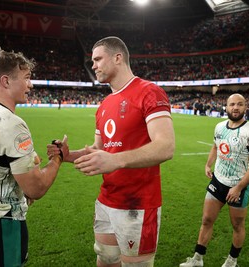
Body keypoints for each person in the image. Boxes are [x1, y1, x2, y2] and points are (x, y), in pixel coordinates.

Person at [50, 36, 175, 267]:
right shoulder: (105, 104)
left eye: (98, 59)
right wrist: (69, 155)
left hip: (137, 204)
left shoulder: (149, 92)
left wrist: (117, 160)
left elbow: (166, 146)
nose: (93, 65)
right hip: (107, 200)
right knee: (105, 259)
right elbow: (99, 150)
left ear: (118, 58)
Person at [0, 49, 65, 267]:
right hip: (1, 221)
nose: (31, 85)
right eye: (26, 78)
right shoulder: (11, 123)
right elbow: (35, 189)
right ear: (6, 81)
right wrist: (58, 158)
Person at [179, 94, 249, 267]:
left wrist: (239, 187)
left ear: (245, 107)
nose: (235, 107)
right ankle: (197, 259)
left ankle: (232, 261)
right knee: (206, 220)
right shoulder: (219, 127)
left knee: (237, 225)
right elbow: (215, 146)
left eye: (240, 104)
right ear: (226, 106)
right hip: (218, 181)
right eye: (232, 104)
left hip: (238, 187)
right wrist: (208, 164)